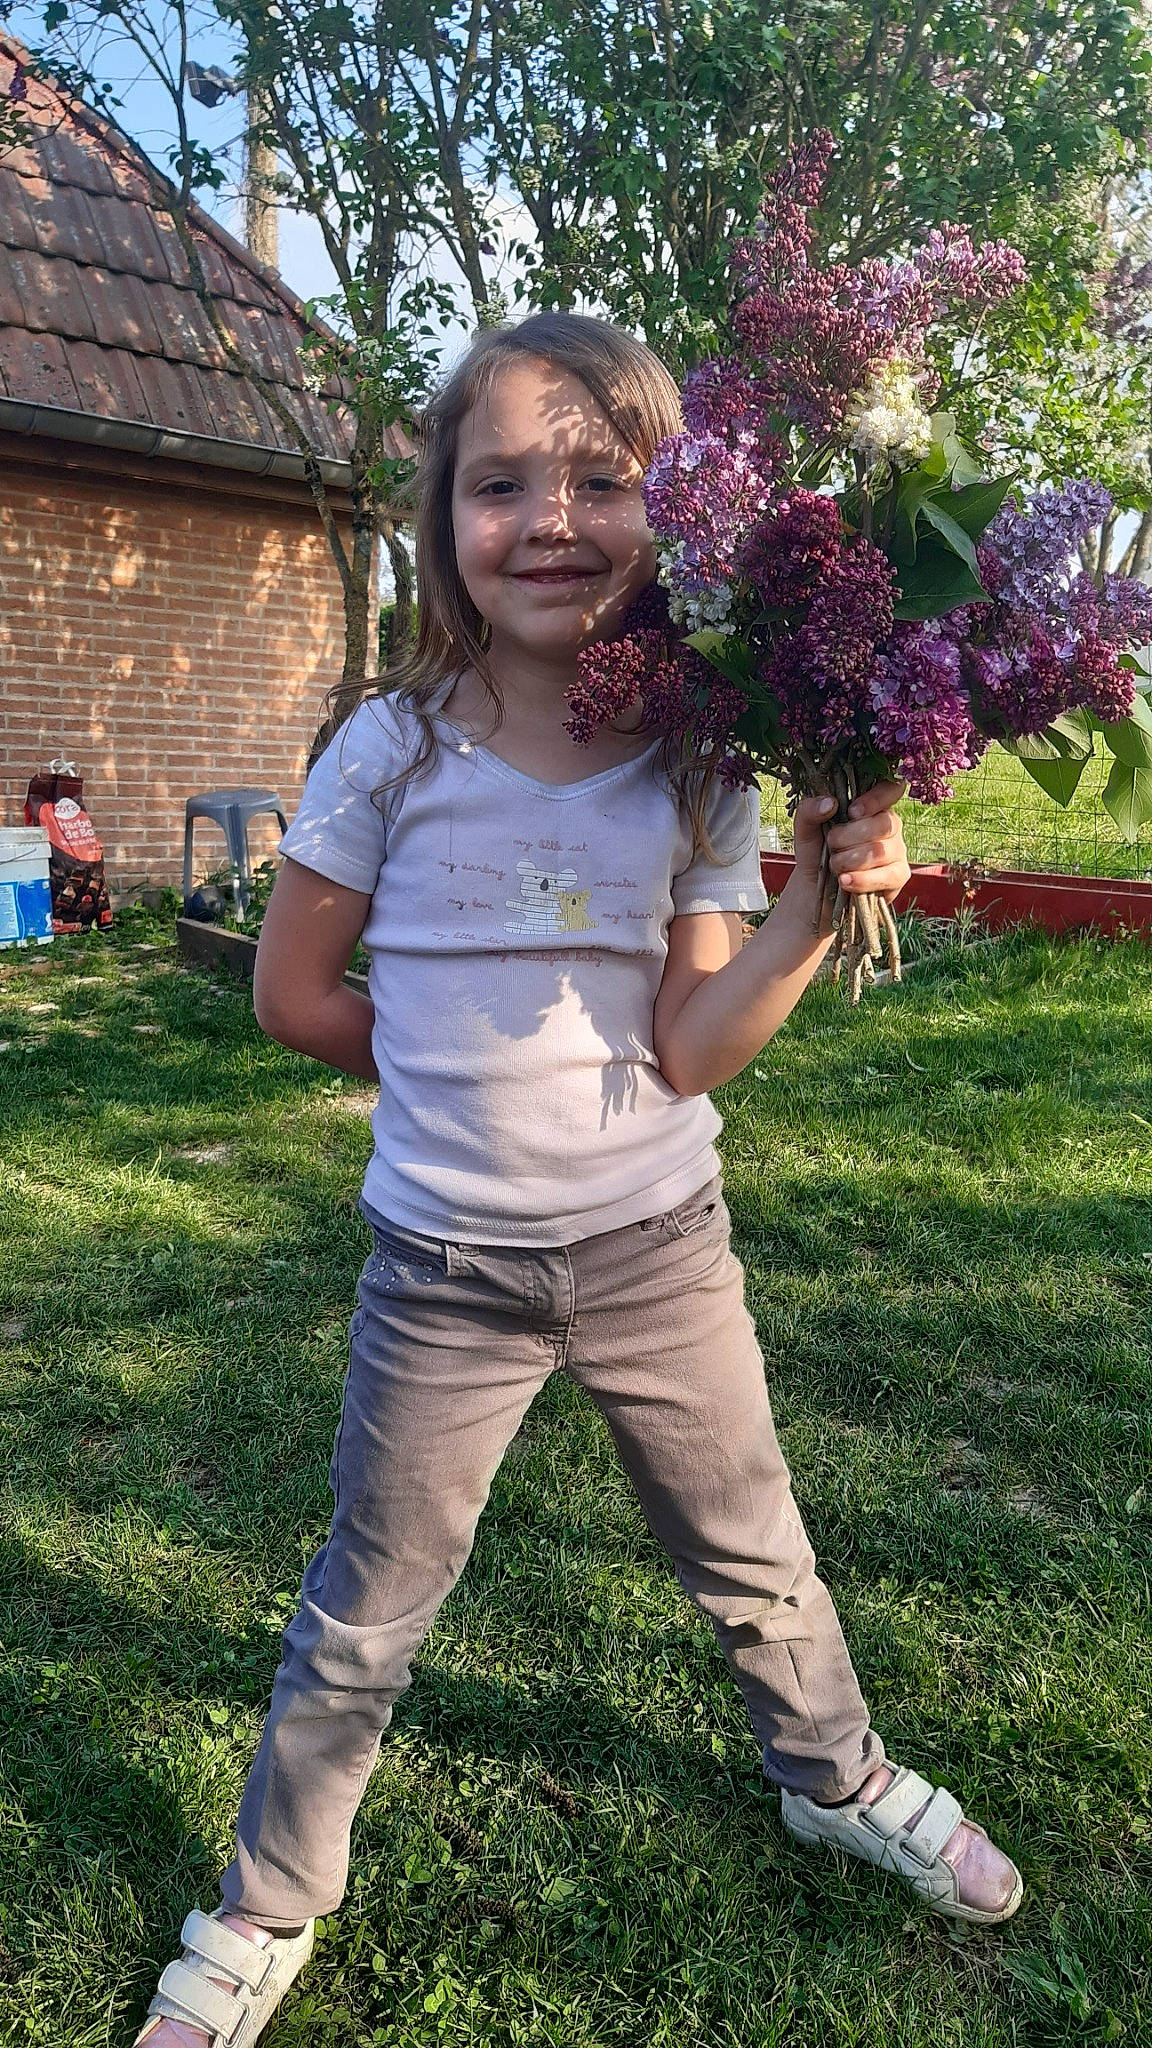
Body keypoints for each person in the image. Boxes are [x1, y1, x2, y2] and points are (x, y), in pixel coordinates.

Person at [136, 313, 1022, 2048]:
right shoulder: (390, 752)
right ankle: (267, 1902)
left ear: (666, 510)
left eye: (601, 479)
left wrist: (815, 899)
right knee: (364, 1612)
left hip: (657, 1255)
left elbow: (692, 1046)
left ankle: (830, 1777)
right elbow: (291, 994)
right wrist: (463, 1071)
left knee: (756, 1556)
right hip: (441, 1277)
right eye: (499, 483)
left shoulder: (699, 760)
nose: (550, 517)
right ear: (442, 521)